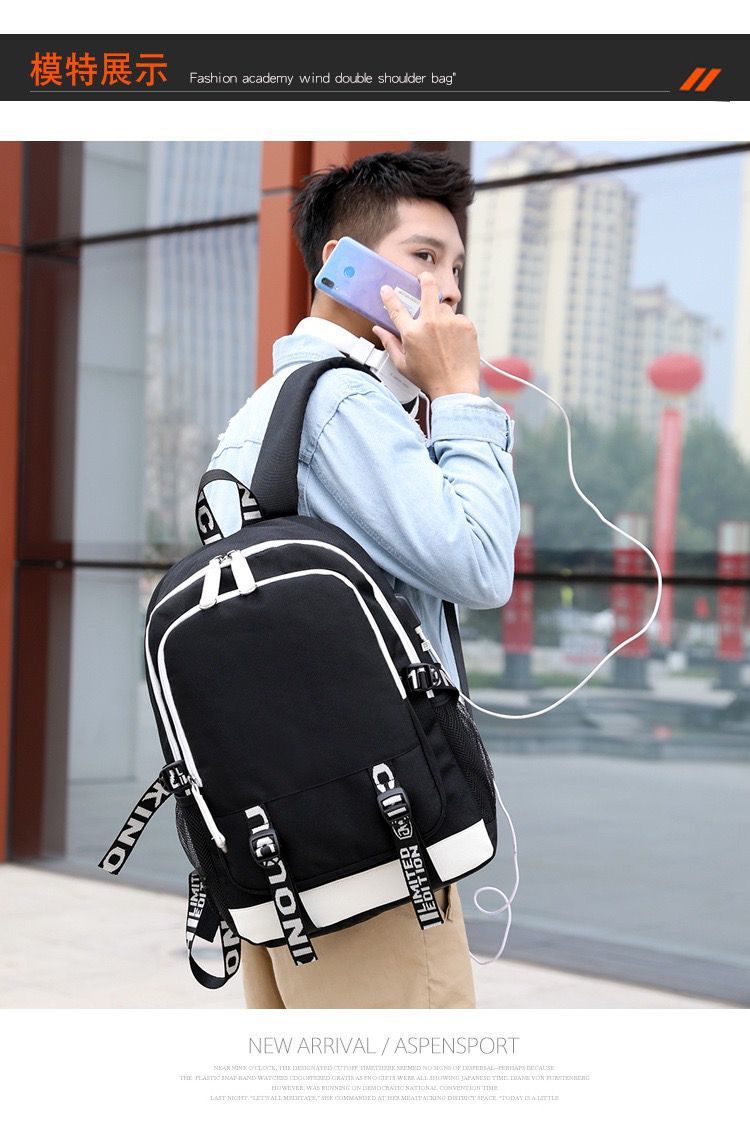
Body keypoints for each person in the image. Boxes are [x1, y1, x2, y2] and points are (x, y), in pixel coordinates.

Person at [206, 149, 520, 1008]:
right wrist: (459, 396)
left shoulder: (271, 408)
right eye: (423, 257)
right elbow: (480, 564)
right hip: (378, 845)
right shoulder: (344, 406)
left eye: (456, 267)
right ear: (343, 265)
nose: (447, 289)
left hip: (289, 826)